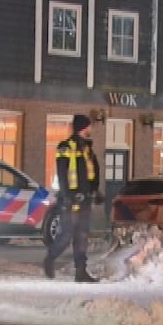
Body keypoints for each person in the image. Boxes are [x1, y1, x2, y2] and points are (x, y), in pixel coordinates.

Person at [44, 114, 101, 282]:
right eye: (89, 126)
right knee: (67, 235)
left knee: (82, 236)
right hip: (71, 200)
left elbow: (91, 173)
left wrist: (95, 191)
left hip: (85, 199)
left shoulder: (87, 149)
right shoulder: (65, 147)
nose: (91, 129)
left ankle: (81, 272)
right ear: (83, 127)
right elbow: (62, 174)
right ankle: (50, 258)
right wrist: (68, 195)